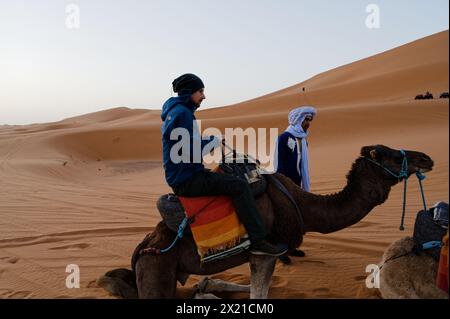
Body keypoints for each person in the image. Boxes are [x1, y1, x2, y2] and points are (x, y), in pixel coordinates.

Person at [161, 73, 287, 256]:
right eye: (200, 91)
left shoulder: (175, 112)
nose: (204, 96)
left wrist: (211, 139)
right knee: (239, 186)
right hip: (187, 179)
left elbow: (186, 143)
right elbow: (192, 151)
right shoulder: (183, 113)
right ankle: (258, 240)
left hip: (185, 173)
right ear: (189, 92)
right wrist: (214, 141)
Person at [275, 106, 317, 263]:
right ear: (298, 120)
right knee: (283, 217)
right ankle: (280, 250)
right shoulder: (284, 138)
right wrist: (284, 185)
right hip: (286, 185)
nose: (309, 123)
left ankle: (291, 247)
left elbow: (302, 165)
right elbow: (279, 164)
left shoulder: (303, 139)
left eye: (310, 120)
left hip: (297, 184)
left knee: (294, 217)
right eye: (307, 119)